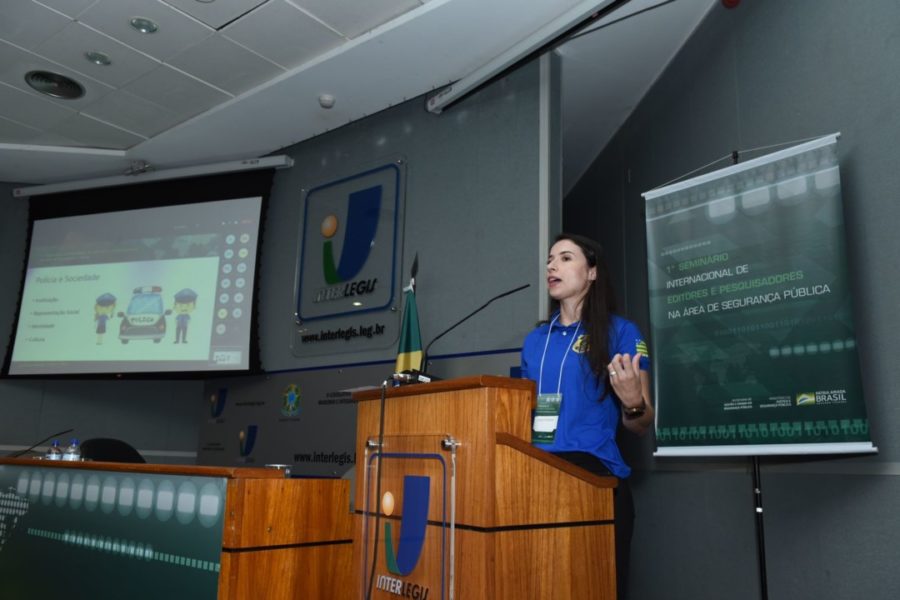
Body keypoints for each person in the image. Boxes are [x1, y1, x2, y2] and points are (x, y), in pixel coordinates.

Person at [520, 233, 653, 600]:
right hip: (535, 480)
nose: (552, 266)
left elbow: (641, 424)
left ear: (592, 272)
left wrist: (632, 402)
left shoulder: (620, 332)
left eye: (565, 258)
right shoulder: (535, 340)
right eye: (550, 259)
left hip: (594, 480)